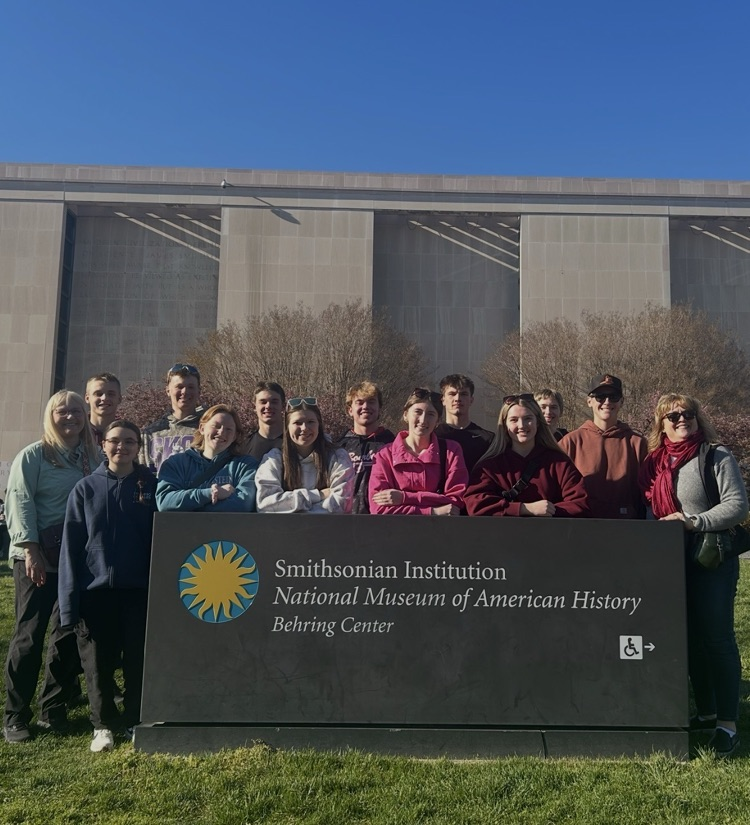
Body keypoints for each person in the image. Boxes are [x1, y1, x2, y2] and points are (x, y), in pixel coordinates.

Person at [639, 393, 748, 757]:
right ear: (661, 424)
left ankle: (727, 725)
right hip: (668, 561)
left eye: (687, 413)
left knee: (717, 639)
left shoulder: (715, 455)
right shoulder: (653, 464)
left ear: (698, 418)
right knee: (688, 640)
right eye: (672, 416)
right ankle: (706, 710)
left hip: (710, 559)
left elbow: (736, 506)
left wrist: (693, 522)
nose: (681, 419)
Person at [3, 390, 100, 743]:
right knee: (29, 636)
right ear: (50, 415)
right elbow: (20, 503)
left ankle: (52, 708)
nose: (71, 417)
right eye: (63, 411)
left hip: (73, 560)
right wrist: (30, 551)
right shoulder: (33, 456)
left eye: (77, 411)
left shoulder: (90, 456)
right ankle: (15, 715)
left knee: (65, 634)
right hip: (36, 558)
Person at [58, 420, 157, 753]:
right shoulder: (85, 489)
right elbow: (71, 549)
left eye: (130, 441)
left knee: (136, 662)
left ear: (137, 446)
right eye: (115, 441)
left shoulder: (151, 486)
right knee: (98, 664)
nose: (122, 447)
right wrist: (69, 604)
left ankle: (133, 719)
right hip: (95, 593)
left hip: (139, 591)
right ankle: (102, 725)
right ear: (103, 445)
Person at [464, 394, 588, 517]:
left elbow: (580, 503)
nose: (522, 425)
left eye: (528, 418)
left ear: (538, 422)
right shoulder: (490, 466)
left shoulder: (559, 463)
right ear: (505, 425)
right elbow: (475, 503)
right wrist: (523, 509)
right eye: (514, 420)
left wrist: (550, 512)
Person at [560, 374, 647, 519]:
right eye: (600, 396)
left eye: (613, 397)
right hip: (580, 526)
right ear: (589, 401)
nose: (607, 402)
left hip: (626, 527)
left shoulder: (637, 443)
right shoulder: (570, 442)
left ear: (621, 402)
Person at [369, 388, 468, 515]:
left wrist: (404, 498)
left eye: (431, 414)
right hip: (394, 533)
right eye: (418, 412)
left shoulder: (451, 451)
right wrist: (432, 511)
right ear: (405, 415)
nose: (423, 420)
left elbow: (455, 502)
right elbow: (378, 509)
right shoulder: (384, 455)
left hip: (441, 532)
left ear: (438, 421)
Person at [256, 397, 354, 513]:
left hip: (327, 530)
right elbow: (265, 504)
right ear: (287, 427)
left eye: (310, 422)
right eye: (297, 422)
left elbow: (341, 504)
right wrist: (317, 495)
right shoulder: (273, 459)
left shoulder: (338, 457)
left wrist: (296, 514)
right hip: (284, 530)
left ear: (319, 425)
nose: (305, 428)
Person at [156, 405, 258, 513]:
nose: (222, 432)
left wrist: (188, 507)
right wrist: (210, 493)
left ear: (234, 436)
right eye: (216, 426)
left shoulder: (246, 466)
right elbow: (165, 502)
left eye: (229, 429)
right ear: (202, 428)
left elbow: (243, 504)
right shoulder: (175, 464)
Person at [337, 381, 395, 514]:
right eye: (360, 402)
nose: (366, 406)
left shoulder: (392, 444)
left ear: (380, 408)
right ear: (350, 410)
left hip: (381, 518)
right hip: (344, 518)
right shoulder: (339, 446)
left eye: (371, 402)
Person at [140, 363, 204, 474]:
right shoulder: (150, 433)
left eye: (190, 387)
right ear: (168, 391)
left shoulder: (209, 431)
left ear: (199, 391)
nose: (185, 391)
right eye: (179, 387)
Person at [435, 374, 493, 474]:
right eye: (452, 394)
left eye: (464, 394)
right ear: (443, 400)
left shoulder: (487, 439)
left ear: (471, 400)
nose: (457, 398)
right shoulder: (433, 437)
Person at [247, 382, 286, 462]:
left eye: (274, 402)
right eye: (263, 402)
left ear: (283, 406)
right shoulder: (243, 446)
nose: (268, 406)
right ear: (254, 406)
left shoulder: (295, 443)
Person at [85, 372, 122, 446]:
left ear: (119, 399)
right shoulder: (76, 431)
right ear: (87, 398)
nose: (104, 398)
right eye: (98, 394)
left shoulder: (128, 433)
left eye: (111, 394)